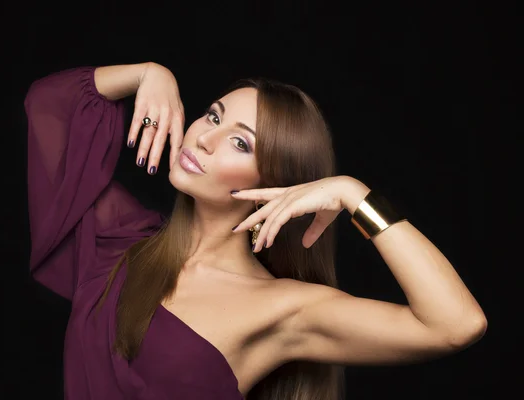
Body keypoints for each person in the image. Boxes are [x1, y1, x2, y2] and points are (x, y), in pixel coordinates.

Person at [24, 62, 487, 400]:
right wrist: (148, 75)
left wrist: (354, 195)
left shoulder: (282, 307)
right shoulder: (118, 241)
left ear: (276, 182)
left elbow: (455, 324)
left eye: (240, 142)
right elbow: (48, 108)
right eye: (213, 115)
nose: (205, 137)